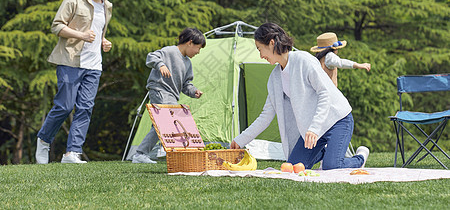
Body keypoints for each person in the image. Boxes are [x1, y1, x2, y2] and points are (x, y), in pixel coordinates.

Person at [230, 23, 369, 170]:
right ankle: (324, 153)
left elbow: (325, 93)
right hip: (312, 131)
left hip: (337, 119)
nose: (260, 55)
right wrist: (240, 140)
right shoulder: (274, 78)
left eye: (260, 49)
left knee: (332, 167)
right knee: (292, 167)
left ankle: (359, 158)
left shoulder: (304, 60)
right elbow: (266, 116)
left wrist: (314, 128)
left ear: (271, 43)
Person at [35, 0, 116, 164]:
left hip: (94, 65)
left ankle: (72, 153)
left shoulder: (107, 6)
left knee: (85, 108)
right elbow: (57, 26)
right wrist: (81, 35)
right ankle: (44, 140)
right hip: (71, 60)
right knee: (64, 106)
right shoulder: (73, 0)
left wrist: (104, 42)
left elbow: (98, 31)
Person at [132, 28, 206, 163]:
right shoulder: (169, 51)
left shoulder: (187, 63)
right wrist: (160, 65)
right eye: (198, 48)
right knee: (167, 121)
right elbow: (151, 57)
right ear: (190, 43)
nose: (198, 52)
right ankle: (146, 154)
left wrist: (193, 91)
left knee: (160, 124)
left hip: (171, 95)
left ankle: (141, 154)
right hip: (159, 89)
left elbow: (186, 84)